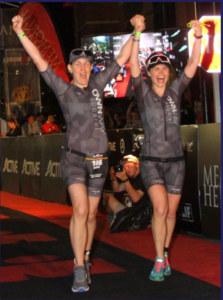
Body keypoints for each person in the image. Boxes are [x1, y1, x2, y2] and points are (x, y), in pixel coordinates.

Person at [12, 14, 145, 293]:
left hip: (99, 161)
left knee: (89, 216)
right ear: (70, 70)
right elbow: (39, 61)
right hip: (73, 159)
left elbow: (122, 57)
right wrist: (21, 33)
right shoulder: (62, 89)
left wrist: (135, 31)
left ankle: (83, 256)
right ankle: (79, 268)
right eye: (78, 65)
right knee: (81, 209)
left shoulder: (98, 84)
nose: (83, 68)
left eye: (87, 64)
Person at [130, 17, 203, 282]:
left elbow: (193, 64)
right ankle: (159, 259)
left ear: (168, 71)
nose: (160, 71)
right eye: (155, 68)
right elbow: (132, 68)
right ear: (149, 73)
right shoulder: (142, 92)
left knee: (171, 212)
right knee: (160, 209)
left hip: (176, 162)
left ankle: (164, 252)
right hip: (150, 161)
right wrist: (137, 33)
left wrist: (197, 37)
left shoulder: (176, 90)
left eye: (164, 67)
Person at [104, 154, 150, 233]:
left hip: (142, 217)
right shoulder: (131, 177)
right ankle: (113, 217)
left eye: (128, 166)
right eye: (124, 167)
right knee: (107, 197)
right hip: (133, 212)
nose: (127, 169)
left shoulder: (143, 177)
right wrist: (113, 178)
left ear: (137, 164)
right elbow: (117, 189)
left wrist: (125, 179)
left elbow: (136, 199)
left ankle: (117, 218)